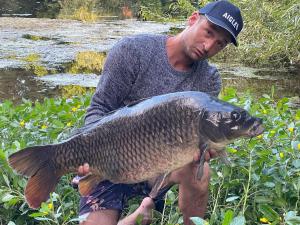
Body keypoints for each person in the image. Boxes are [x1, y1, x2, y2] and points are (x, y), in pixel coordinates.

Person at [73, 1, 244, 224]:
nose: (209, 45)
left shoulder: (209, 79)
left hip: (160, 168)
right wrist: (88, 150)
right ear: (193, 19)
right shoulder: (132, 51)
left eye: (219, 43)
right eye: (208, 32)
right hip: (110, 162)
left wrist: (204, 150)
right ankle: (138, 215)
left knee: (200, 170)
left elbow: (202, 136)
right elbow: (99, 108)